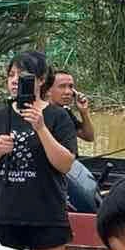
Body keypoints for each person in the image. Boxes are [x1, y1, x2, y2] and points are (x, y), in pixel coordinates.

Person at [0, 51, 78, 250]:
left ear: (40, 80)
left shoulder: (58, 116)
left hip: (47, 217)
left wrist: (41, 128)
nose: (14, 81)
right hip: (4, 217)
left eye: (22, 76)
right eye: (11, 75)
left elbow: (65, 165)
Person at [49, 69, 101, 213]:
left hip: (68, 171)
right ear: (47, 89)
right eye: (62, 86)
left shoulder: (64, 112)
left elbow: (88, 136)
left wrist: (84, 112)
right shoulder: (42, 115)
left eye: (71, 86)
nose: (68, 91)